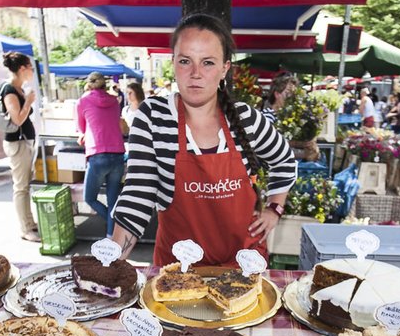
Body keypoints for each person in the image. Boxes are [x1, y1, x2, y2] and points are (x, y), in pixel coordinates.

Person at [110, 13, 296, 266]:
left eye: (208, 62)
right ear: (173, 63)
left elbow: (284, 160)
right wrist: (109, 265)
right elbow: (138, 193)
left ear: (224, 69)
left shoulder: (246, 119)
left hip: (242, 265)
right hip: (177, 270)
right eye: (185, 61)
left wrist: (275, 209)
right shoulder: (154, 116)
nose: (195, 73)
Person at [77, 71, 127, 238]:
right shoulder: (115, 100)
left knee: (89, 198)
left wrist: (83, 134)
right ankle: (111, 234)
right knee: (113, 201)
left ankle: (116, 226)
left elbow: (81, 128)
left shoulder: (83, 101)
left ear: (89, 85)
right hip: (118, 154)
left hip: (97, 154)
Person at [0, 52, 40, 243]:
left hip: (24, 142)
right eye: (30, 67)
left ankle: (29, 223)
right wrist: (28, 103)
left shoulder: (17, 88)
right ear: (22, 68)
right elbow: (17, 119)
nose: (32, 71)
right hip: (18, 143)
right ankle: (25, 228)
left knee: (25, 185)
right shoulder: (9, 90)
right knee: (21, 187)